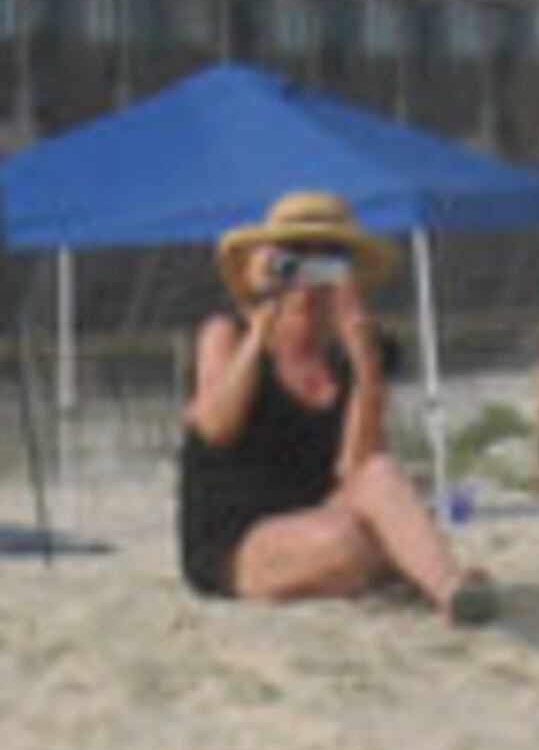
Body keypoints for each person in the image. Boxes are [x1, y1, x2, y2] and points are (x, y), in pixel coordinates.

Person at [179, 191, 493, 623]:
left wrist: (365, 363)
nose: (309, 279)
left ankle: (449, 590)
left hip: (320, 515)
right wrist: (260, 324)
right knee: (348, 544)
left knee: (378, 480)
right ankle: (409, 565)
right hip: (238, 540)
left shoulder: (349, 355)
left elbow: (358, 464)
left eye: (327, 260)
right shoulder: (227, 335)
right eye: (295, 259)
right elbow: (214, 427)